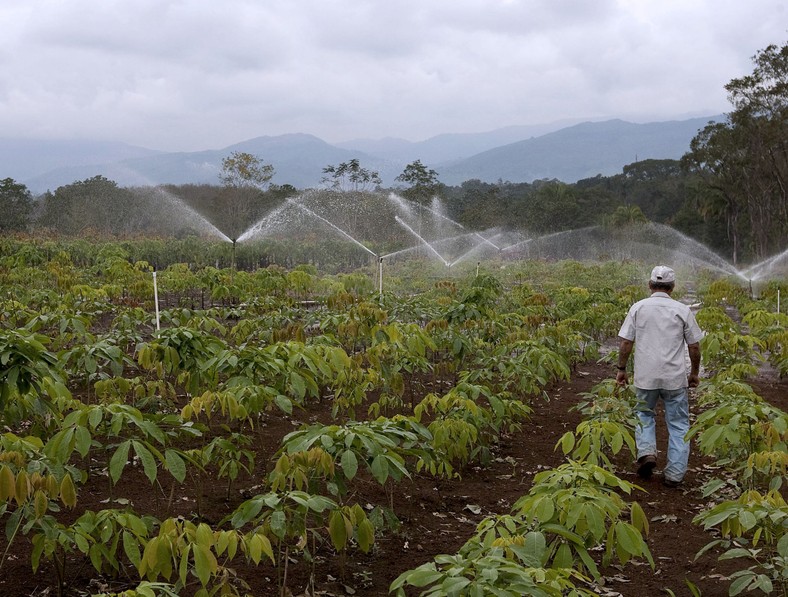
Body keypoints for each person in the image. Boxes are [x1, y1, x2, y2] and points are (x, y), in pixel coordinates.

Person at [615, 265, 703, 487]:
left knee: (644, 414)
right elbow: (694, 347)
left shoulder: (638, 308)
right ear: (672, 287)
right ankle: (674, 475)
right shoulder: (682, 310)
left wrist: (621, 369)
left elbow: (626, 342)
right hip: (674, 378)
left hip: (646, 377)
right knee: (679, 424)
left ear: (650, 285)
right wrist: (693, 373)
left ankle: (647, 453)